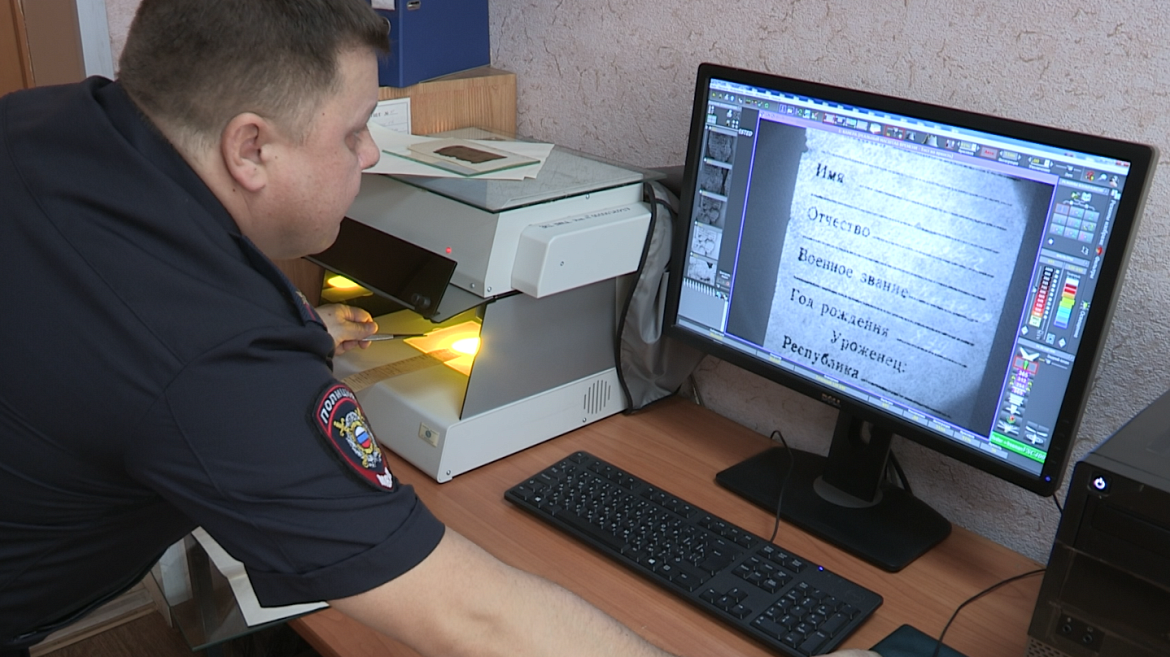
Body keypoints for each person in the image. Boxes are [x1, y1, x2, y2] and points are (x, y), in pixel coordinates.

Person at [0, 1, 881, 656]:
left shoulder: (54, 120)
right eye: (354, 132)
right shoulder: (210, 354)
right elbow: (475, 616)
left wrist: (294, 330)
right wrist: (263, 357)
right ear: (251, 148)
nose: (370, 155)